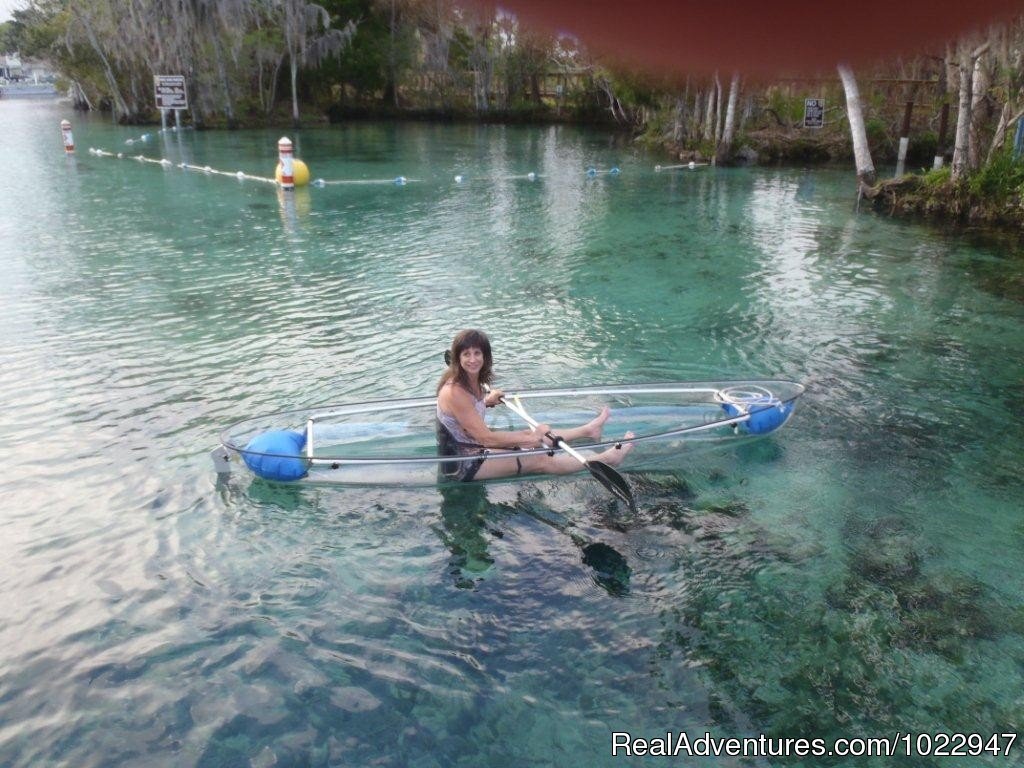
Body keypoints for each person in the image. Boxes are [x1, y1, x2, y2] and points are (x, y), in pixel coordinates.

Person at [436, 329, 633, 482]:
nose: (472, 359)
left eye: (477, 353)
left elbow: (465, 414)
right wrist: (530, 439)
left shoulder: (471, 381)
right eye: (466, 354)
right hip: (462, 464)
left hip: (472, 449)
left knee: (531, 437)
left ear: (485, 356)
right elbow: (485, 437)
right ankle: (608, 459)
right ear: (458, 358)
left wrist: (487, 402)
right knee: (540, 458)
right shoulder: (455, 391)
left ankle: (589, 430)